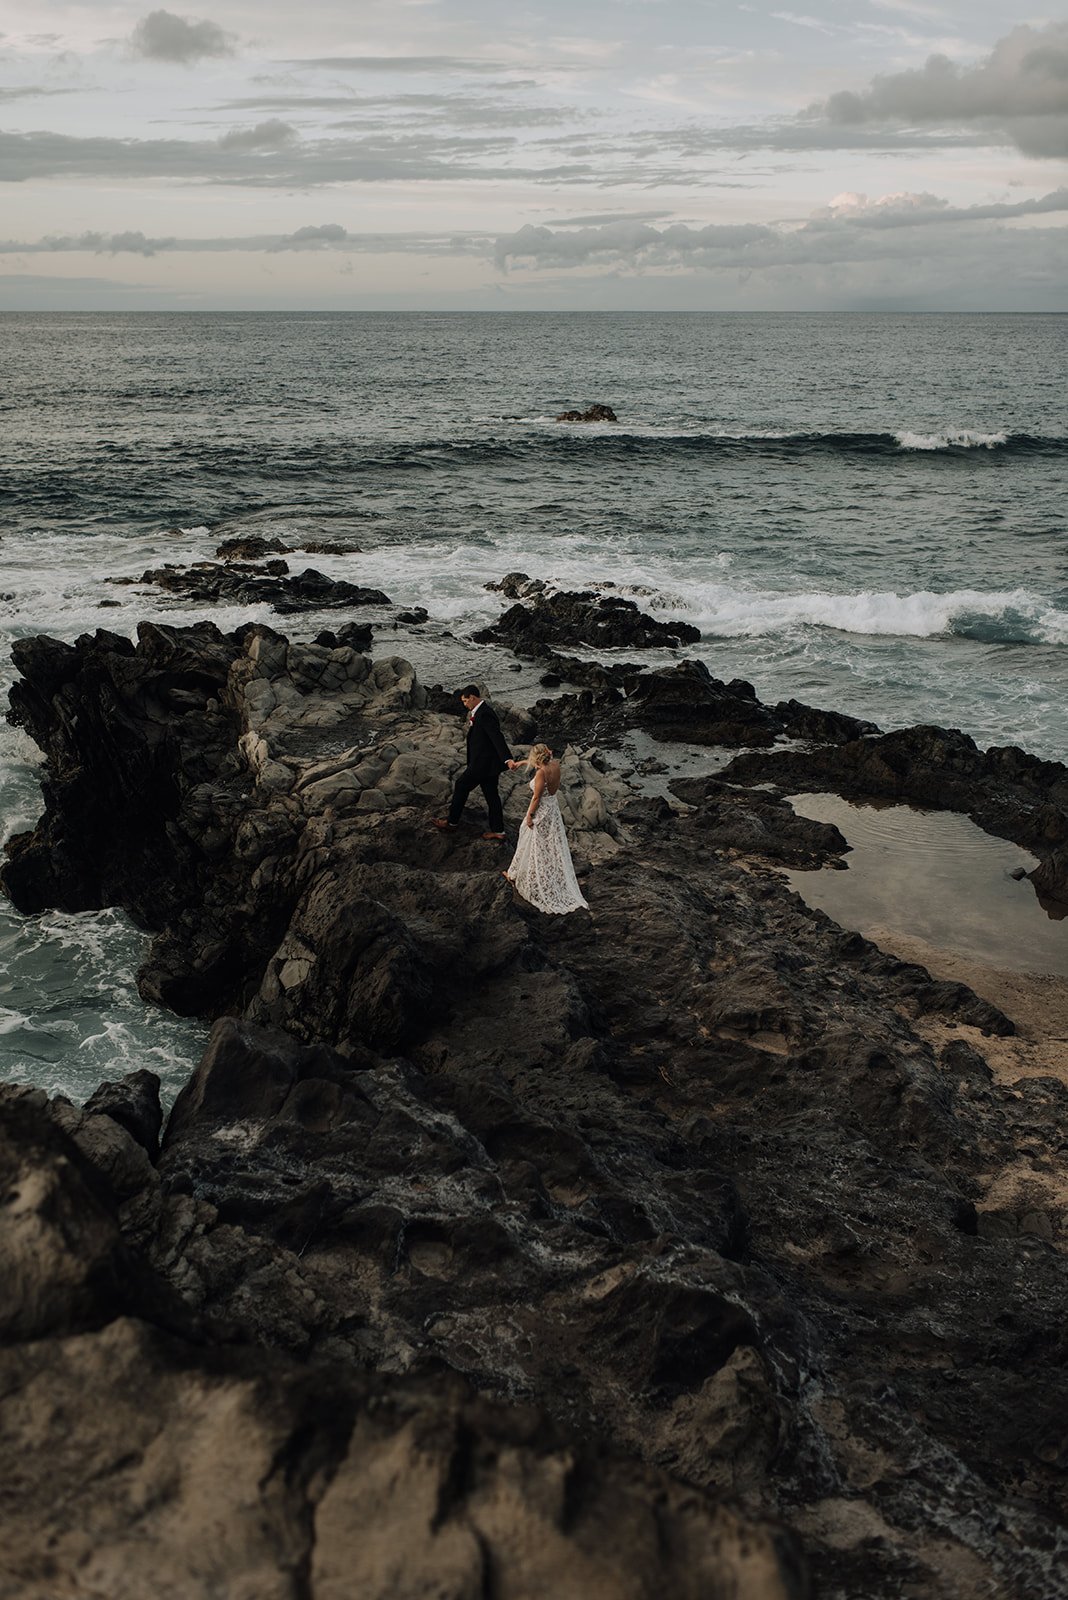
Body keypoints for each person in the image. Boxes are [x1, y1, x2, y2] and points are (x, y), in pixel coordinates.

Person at [503, 744, 589, 914]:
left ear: (538, 759)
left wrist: (530, 816)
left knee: (532, 839)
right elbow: (538, 763)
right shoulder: (555, 764)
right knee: (548, 842)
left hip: (541, 809)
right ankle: (516, 872)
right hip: (553, 808)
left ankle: (520, 875)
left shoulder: (541, 773)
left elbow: (536, 797)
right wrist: (520, 763)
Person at [432, 685, 513, 840]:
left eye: (465, 701)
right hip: (488, 765)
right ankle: (499, 831)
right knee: (492, 796)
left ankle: (452, 822)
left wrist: (507, 759)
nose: (464, 704)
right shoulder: (480, 712)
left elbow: (497, 737)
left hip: (481, 764)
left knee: (461, 785)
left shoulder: (484, 714)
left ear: (473, 698)